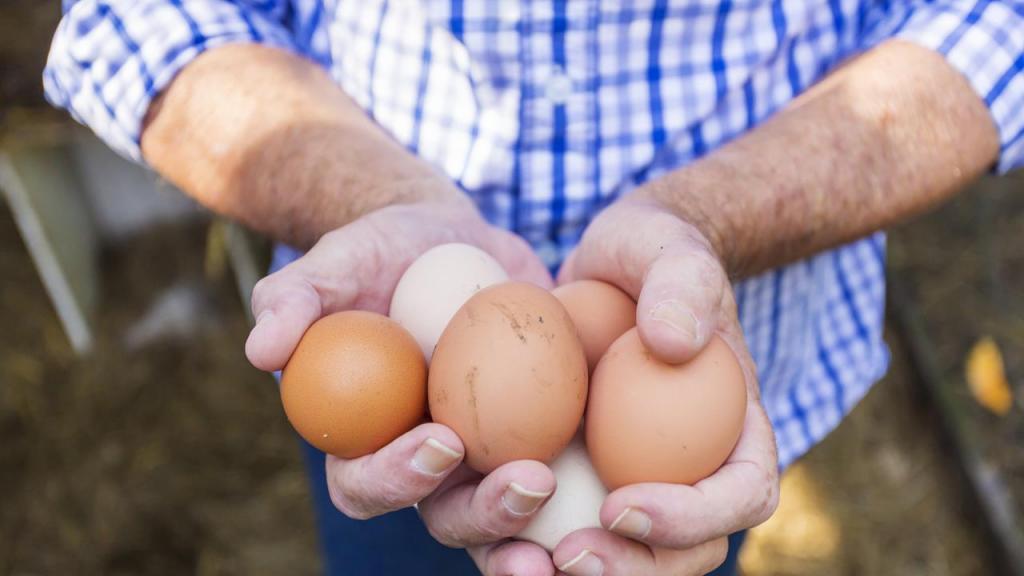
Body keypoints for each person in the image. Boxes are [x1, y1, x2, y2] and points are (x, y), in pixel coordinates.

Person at [44, 1, 1022, 574]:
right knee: (400, 539)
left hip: (708, 388)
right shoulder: (399, 377)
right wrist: (373, 192)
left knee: (658, 545)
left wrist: (711, 217)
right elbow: (139, 21)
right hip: (406, 390)